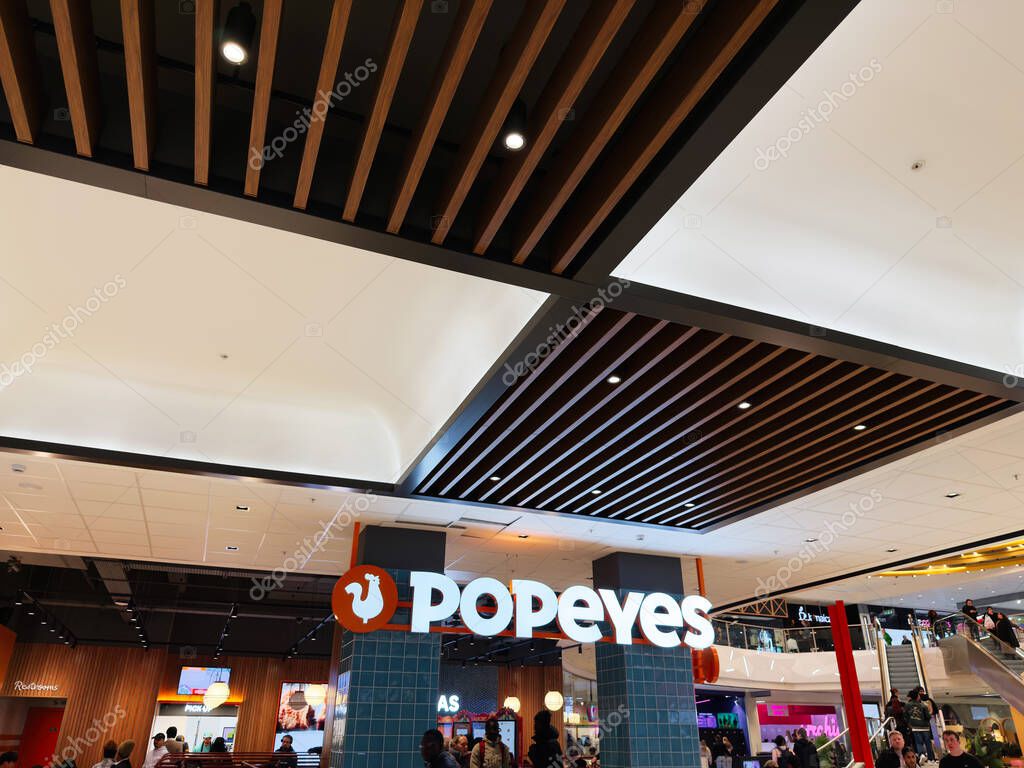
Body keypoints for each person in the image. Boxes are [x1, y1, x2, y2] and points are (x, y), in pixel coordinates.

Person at [906, 689, 935, 763]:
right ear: (917, 696)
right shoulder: (923, 705)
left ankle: (922, 755)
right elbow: (928, 716)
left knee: (918, 742)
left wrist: (910, 723)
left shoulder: (907, 705)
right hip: (925, 727)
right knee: (928, 742)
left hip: (915, 727)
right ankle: (931, 759)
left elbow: (906, 716)